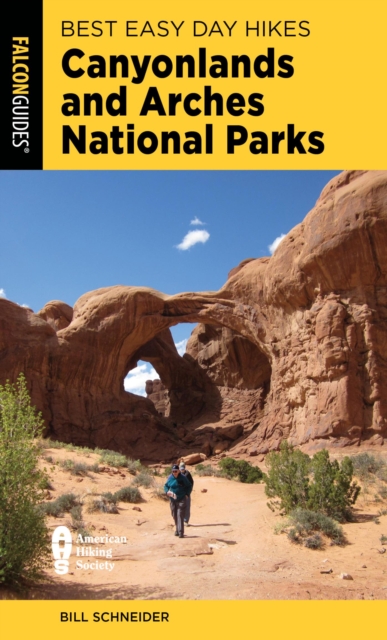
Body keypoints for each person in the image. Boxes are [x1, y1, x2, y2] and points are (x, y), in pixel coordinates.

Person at [164, 464, 192, 538]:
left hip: (182, 498)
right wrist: (167, 492)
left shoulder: (183, 478)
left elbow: (189, 485)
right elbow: (166, 485)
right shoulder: (170, 477)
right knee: (174, 515)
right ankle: (177, 529)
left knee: (180, 514)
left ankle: (180, 532)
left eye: (176, 471)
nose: (174, 473)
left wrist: (187, 494)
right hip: (173, 499)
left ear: (179, 471)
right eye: (173, 471)